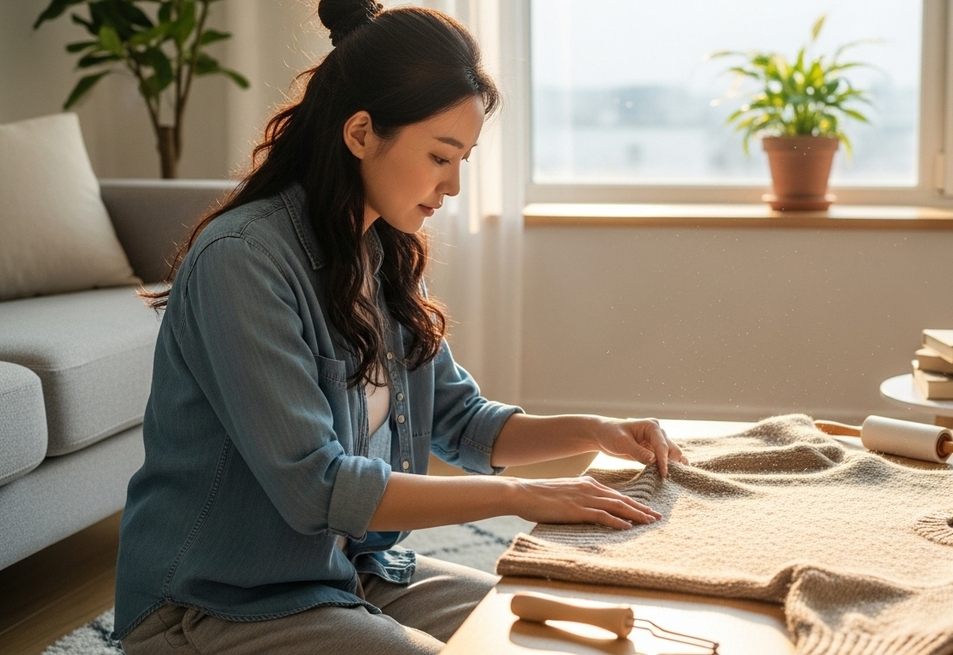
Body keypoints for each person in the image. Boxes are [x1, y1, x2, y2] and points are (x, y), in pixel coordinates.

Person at [112, 2, 687, 653]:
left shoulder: (380, 255)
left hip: (348, 573)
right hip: (214, 601)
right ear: (360, 133)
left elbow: (462, 421)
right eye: (442, 156)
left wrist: (599, 431)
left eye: (464, 158)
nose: (455, 186)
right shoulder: (242, 261)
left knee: (548, 634)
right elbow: (316, 487)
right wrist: (525, 494)